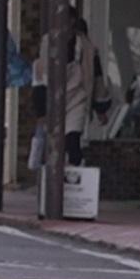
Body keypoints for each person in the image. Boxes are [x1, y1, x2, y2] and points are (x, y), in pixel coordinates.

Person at [38, 10, 98, 166]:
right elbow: (42, 74)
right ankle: (56, 173)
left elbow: (94, 74)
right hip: (54, 99)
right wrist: (41, 109)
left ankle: (75, 170)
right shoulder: (48, 42)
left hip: (77, 97)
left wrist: (99, 106)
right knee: (54, 143)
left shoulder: (85, 46)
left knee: (72, 139)